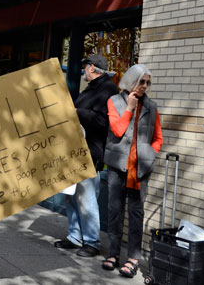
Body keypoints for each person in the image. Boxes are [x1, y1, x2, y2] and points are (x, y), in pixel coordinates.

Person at [53, 54, 119, 257]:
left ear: (92, 68)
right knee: (72, 197)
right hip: (77, 151)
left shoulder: (107, 91)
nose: (83, 71)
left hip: (90, 153)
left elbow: (102, 122)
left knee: (87, 199)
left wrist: (76, 111)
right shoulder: (94, 88)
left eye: (85, 67)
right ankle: (75, 237)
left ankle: (91, 242)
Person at [102, 64, 163, 279]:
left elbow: (158, 138)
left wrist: (149, 154)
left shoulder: (152, 107)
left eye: (148, 82)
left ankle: (133, 258)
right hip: (118, 166)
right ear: (131, 81)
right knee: (115, 210)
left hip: (140, 169)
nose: (145, 86)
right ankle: (113, 253)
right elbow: (118, 130)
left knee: (136, 214)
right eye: (142, 81)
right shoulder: (114, 101)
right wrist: (129, 107)